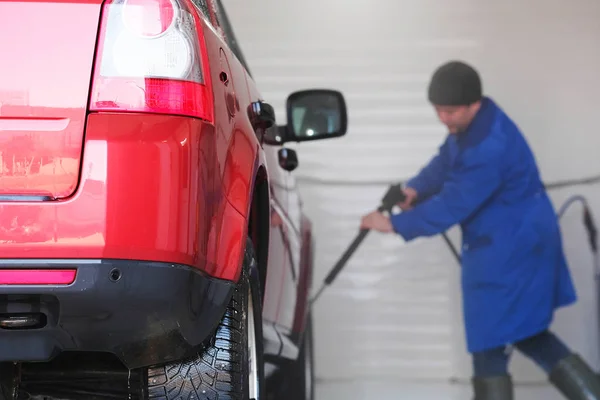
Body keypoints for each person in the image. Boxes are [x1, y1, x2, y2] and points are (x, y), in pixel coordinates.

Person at [360, 60, 600, 399]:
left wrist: (394, 224)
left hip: (513, 249)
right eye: (438, 110)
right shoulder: (473, 124)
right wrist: (415, 188)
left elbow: (453, 203)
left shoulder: (490, 145)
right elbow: (445, 162)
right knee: (527, 334)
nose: (443, 118)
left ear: (473, 103)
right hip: (508, 244)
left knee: (491, 343)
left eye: (450, 111)